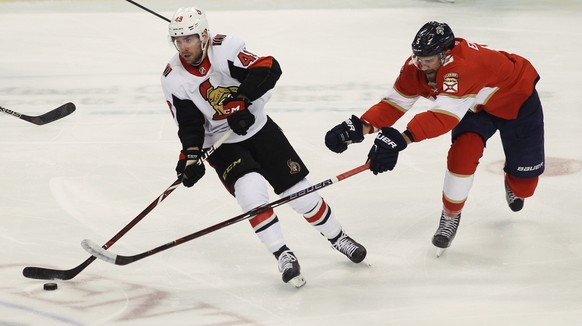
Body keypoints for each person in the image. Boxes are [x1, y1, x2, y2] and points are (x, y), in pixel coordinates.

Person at [161, 7, 367, 287]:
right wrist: (191, 156)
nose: (184, 46)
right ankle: (283, 254)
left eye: (189, 39)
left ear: (204, 35)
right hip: (222, 145)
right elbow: (189, 124)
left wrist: (243, 100)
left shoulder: (226, 49)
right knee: (251, 193)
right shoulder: (173, 77)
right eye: (178, 40)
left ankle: (338, 237)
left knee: (300, 194)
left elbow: (269, 67)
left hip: (258, 128)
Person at [324, 21, 544, 255]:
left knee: (524, 187)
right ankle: (450, 216)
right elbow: (394, 103)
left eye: (427, 60)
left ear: (445, 55)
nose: (420, 64)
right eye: (417, 57)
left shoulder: (463, 67)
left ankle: (515, 178)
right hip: (472, 108)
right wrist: (361, 127)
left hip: (517, 103)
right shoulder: (416, 66)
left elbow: (443, 117)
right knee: (462, 156)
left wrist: (401, 139)